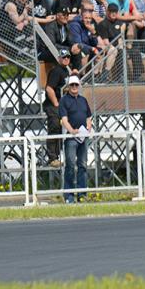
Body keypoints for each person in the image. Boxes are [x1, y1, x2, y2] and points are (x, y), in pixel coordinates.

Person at [59, 75, 92, 203]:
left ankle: (82, 194)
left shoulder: (83, 100)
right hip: (71, 138)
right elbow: (64, 119)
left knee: (82, 165)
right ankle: (69, 195)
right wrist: (72, 131)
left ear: (79, 86)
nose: (74, 87)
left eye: (76, 85)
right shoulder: (64, 100)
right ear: (68, 86)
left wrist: (89, 126)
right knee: (70, 165)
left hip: (83, 137)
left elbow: (88, 116)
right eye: (72, 85)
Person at [44, 49, 72, 167]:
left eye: (68, 57)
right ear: (59, 58)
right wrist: (56, 103)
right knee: (55, 127)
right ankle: (52, 158)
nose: (66, 59)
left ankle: (59, 156)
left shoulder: (66, 71)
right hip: (52, 106)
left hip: (63, 105)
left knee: (63, 129)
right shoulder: (56, 71)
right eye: (64, 57)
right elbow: (49, 88)